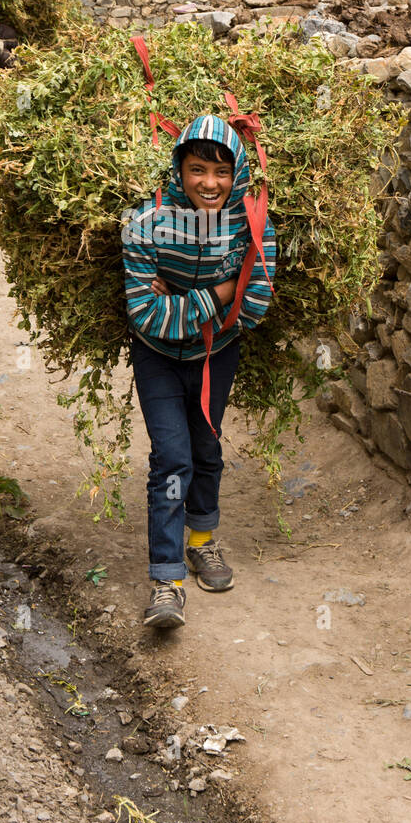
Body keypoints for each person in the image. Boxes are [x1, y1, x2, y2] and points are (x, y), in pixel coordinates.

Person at [122, 115, 276, 629]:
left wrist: (188, 299)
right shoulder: (144, 225)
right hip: (156, 358)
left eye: (220, 171)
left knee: (206, 449)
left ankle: (202, 543)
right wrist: (221, 291)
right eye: (196, 169)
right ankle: (166, 581)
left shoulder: (254, 227)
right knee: (172, 459)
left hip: (217, 355)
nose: (209, 183)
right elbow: (147, 316)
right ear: (178, 169)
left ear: (238, 175)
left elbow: (253, 309)